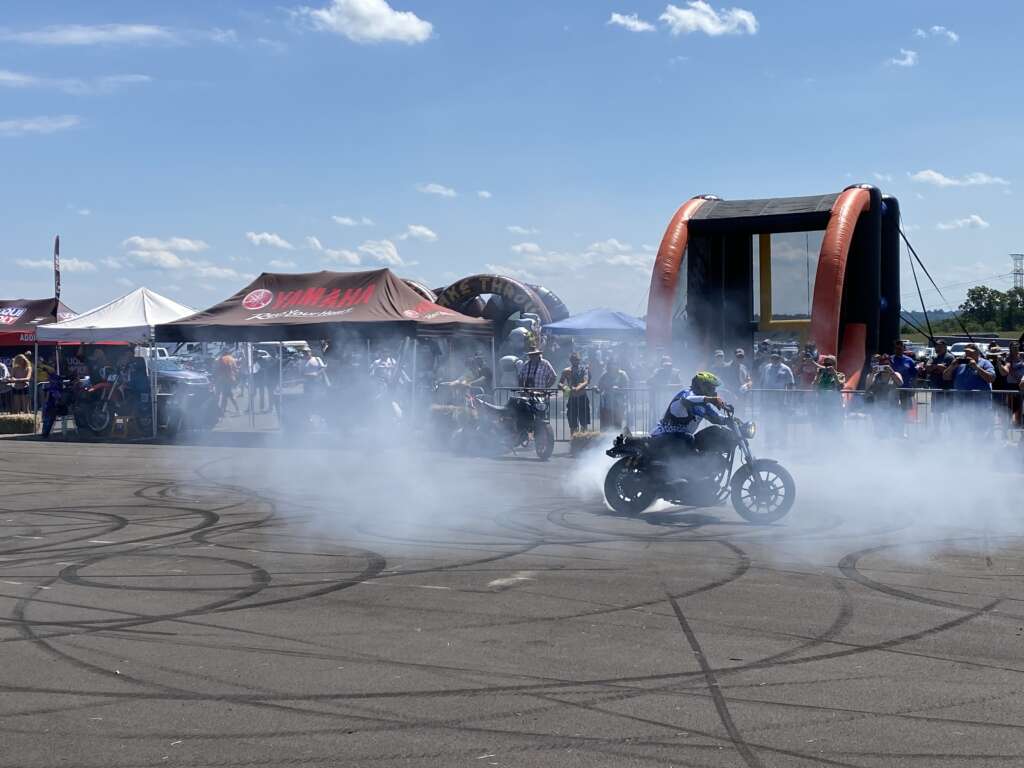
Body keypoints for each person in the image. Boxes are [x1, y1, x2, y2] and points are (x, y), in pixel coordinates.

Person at [649, 371, 731, 477]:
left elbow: (718, 418)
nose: (713, 391)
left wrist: (735, 422)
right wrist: (710, 399)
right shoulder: (687, 393)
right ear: (701, 386)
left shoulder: (703, 405)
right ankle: (683, 477)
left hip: (679, 440)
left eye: (714, 389)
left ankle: (700, 477)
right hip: (663, 435)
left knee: (710, 434)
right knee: (688, 439)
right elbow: (687, 400)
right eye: (711, 388)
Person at [864, 353, 903, 438]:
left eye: (887, 364)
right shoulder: (875, 376)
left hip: (893, 407)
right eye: (883, 364)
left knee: (893, 432)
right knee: (879, 432)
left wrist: (891, 372)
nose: (885, 366)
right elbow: (867, 388)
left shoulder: (896, 374)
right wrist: (872, 374)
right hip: (878, 408)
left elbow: (900, 383)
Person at [559, 351, 591, 434]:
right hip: (572, 398)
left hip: (582, 397)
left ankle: (584, 441)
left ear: (579, 360)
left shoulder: (584, 369)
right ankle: (573, 441)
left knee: (584, 422)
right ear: (570, 360)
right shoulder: (566, 371)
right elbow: (560, 383)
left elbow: (586, 381)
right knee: (572, 423)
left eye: (577, 360)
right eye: (573, 360)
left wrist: (577, 388)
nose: (575, 361)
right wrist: (566, 388)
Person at [597, 356, 630, 431]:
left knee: (617, 425)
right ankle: (604, 441)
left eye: (614, 364)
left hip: (618, 404)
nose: (612, 366)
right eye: (611, 364)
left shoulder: (622, 375)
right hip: (606, 404)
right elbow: (600, 387)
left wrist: (619, 389)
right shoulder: (605, 375)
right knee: (605, 425)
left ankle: (616, 440)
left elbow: (626, 388)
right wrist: (597, 389)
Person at [213, 349, 240, 415]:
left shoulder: (222, 359)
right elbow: (236, 370)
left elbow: (218, 369)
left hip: (224, 379)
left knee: (226, 395)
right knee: (227, 395)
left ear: (223, 353)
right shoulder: (232, 359)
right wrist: (236, 380)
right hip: (231, 379)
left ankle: (223, 411)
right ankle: (225, 410)